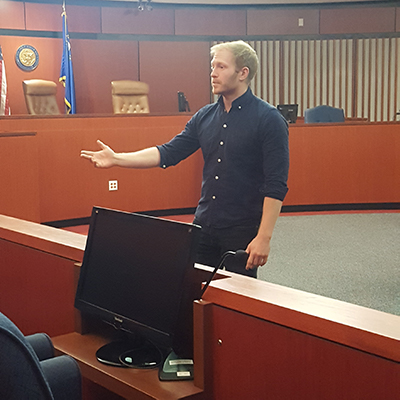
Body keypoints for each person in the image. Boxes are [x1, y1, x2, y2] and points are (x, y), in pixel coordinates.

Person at [81, 40, 289, 278]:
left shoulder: (269, 119)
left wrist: (264, 237)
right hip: (202, 225)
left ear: (243, 73)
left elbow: (275, 184)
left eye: (221, 67)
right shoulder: (205, 116)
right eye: (212, 66)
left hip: (242, 231)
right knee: (189, 295)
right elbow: (168, 152)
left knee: (236, 304)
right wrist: (118, 158)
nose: (213, 73)